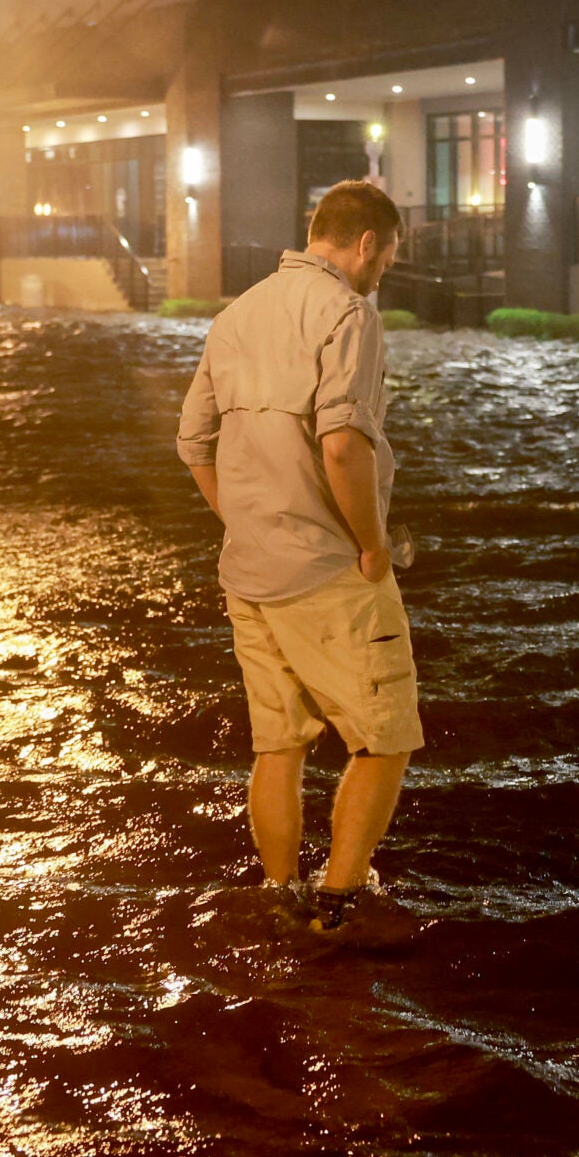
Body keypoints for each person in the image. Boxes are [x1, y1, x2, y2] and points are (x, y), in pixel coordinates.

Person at [176, 180, 418, 934]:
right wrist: (372, 546)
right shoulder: (350, 313)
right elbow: (343, 444)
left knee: (279, 745)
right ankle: (339, 907)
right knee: (384, 737)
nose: (383, 275)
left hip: (249, 572)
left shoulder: (235, 314)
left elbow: (192, 444)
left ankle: (281, 893)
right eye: (387, 259)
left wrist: (245, 520)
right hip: (326, 571)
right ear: (366, 244)